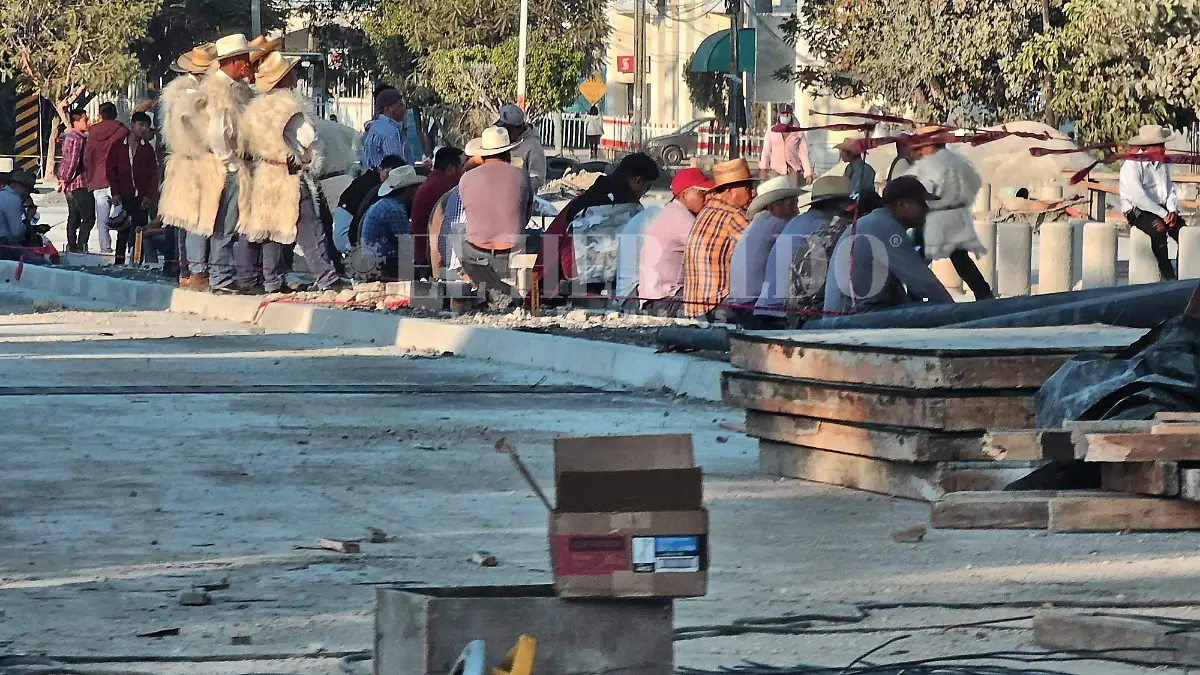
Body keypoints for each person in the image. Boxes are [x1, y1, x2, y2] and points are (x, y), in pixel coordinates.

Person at [237, 51, 342, 294]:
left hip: (265, 172)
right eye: (292, 72)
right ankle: (326, 276)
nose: (296, 75)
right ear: (284, 78)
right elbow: (308, 137)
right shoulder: (289, 106)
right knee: (309, 225)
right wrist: (309, 156)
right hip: (288, 173)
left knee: (272, 229)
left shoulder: (255, 108)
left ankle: (272, 280)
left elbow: (245, 143)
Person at [823, 176, 954, 314]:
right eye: (921, 203)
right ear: (901, 204)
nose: (926, 209)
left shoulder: (879, 221)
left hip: (849, 312)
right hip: (855, 316)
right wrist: (954, 310)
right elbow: (925, 283)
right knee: (940, 311)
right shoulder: (886, 227)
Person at [537, 152, 659, 293]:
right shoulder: (634, 212)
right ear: (636, 181)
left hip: (565, 276)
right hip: (594, 284)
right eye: (647, 187)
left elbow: (551, 239)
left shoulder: (581, 202)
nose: (644, 192)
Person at [194, 34, 259, 293]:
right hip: (226, 166)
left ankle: (222, 273)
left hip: (227, 162)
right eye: (244, 59)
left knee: (229, 221)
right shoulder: (221, 91)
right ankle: (220, 276)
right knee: (225, 222)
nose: (247, 64)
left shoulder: (230, 87)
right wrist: (231, 163)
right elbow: (217, 133)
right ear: (233, 61)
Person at [903, 127, 993, 300]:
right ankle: (984, 294)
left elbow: (924, 189)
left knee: (919, 260)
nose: (920, 150)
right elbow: (975, 181)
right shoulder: (957, 160)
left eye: (922, 146)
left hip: (935, 217)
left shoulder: (932, 164)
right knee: (960, 259)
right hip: (956, 216)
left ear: (931, 145)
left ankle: (913, 299)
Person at [755, 177, 857, 323]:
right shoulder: (824, 229)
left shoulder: (799, 221)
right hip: (782, 314)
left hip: (767, 308)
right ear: (841, 206)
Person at [159, 43, 216, 287]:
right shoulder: (193, 97)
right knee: (195, 218)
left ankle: (184, 269)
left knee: (183, 219)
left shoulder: (175, 94)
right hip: (195, 161)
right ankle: (196, 269)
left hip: (181, 161)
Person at [458, 127, 532, 306]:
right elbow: (527, 214)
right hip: (512, 251)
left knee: (458, 232)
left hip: (476, 251)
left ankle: (476, 282)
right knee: (536, 236)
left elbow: (468, 214)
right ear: (508, 152)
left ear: (483, 155)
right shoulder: (521, 176)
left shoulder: (466, 178)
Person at [682, 158, 757, 319]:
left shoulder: (707, 210)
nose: (753, 193)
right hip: (716, 304)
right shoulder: (734, 215)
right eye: (748, 188)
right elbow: (760, 254)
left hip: (694, 305)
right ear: (729, 189)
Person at [638, 168, 713, 316]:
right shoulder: (681, 217)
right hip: (665, 299)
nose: (707, 198)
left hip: (656, 296)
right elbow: (709, 252)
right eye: (702, 193)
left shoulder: (672, 211)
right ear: (684, 194)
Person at [728, 175, 805, 308]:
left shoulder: (760, 222)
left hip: (740, 300)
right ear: (775, 206)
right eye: (791, 205)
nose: (796, 210)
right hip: (754, 301)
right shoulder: (777, 225)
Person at [1120, 124, 1185, 281]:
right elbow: (1138, 198)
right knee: (1159, 231)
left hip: (1161, 208)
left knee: (1185, 233)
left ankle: (1184, 272)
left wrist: (1172, 210)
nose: (1163, 149)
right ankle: (1168, 275)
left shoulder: (1162, 164)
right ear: (1147, 148)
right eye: (1159, 146)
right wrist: (1163, 214)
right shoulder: (1131, 166)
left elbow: (1169, 189)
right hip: (1137, 210)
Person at [106, 111, 160, 265]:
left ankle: (136, 261)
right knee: (123, 230)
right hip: (124, 194)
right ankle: (119, 261)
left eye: (146, 126)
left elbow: (153, 174)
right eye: (140, 125)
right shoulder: (118, 146)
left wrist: (149, 195)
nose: (143, 129)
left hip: (141, 197)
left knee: (139, 230)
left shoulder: (147, 149)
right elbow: (110, 169)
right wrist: (115, 192)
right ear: (132, 125)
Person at [358, 165, 425, 281]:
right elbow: (407, 246)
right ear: (408, 190)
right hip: (381, 264)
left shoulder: (389, 204)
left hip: (374, 259)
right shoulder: (395, 210)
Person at [410, 146, 465, 275]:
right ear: (451, 169)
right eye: (462, 167)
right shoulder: (445, 188)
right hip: (430, 259)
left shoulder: (431, 182)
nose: (464, 171)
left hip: (423, 253)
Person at [336, 154, 405, 253]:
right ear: (380, 169)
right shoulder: (372, 187)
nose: (390, 178)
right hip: (346, 235)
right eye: (388, 173)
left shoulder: (373, 181)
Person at [83, 102, 128, 254]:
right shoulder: (123, 131)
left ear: (100, 115)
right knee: (123, 217)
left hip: (98, 179)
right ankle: (124, 249)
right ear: (115, 114)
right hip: (118, 180)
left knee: (102, 219)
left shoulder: (92, 133)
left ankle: (105, 248)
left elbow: (87, 157)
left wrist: (90, 175)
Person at [57, 108, 94, 253]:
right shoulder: (77, 138)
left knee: (74, 216)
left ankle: (72, 246)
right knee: (88, 217)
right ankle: (80, 246)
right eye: (85, 120)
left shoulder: (71, 136)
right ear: (76, 122)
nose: (88, 122)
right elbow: (73, 161)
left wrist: (63, 178)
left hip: (70, 183)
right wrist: (66, 178)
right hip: (78, 183)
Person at [496, 104, 547, 191]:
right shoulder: (501, 139)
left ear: (518, 129)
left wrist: (515, 184)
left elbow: (538, 179)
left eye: (507, 130)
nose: (504, 133)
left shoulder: (533, 146)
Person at [759, 105, 813, 186]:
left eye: (787, 114)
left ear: (791, 115)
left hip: (792, 170)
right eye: (783, 114)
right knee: (776, 191)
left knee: (791, 191)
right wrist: (763, 168)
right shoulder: (772, 131)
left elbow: (803, 153)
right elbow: (766, 151)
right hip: (776, 170)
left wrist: (808, 173)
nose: (785, 116)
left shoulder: (798, 131)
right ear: (779, 115)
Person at [361, 88, 412, 170]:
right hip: (387, 177)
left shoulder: (374, 127)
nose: (403, 109)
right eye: (400, 105)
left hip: (372, 175)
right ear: (387, 108)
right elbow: (395, 167)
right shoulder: (390, 131)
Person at [0, 170, 38, 261]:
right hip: (4, 246)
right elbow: (16, 233)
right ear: (23, 189)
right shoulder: (14, 199)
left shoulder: (2, 194)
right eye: (28, 192)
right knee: (38, 260)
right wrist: (28, 218)